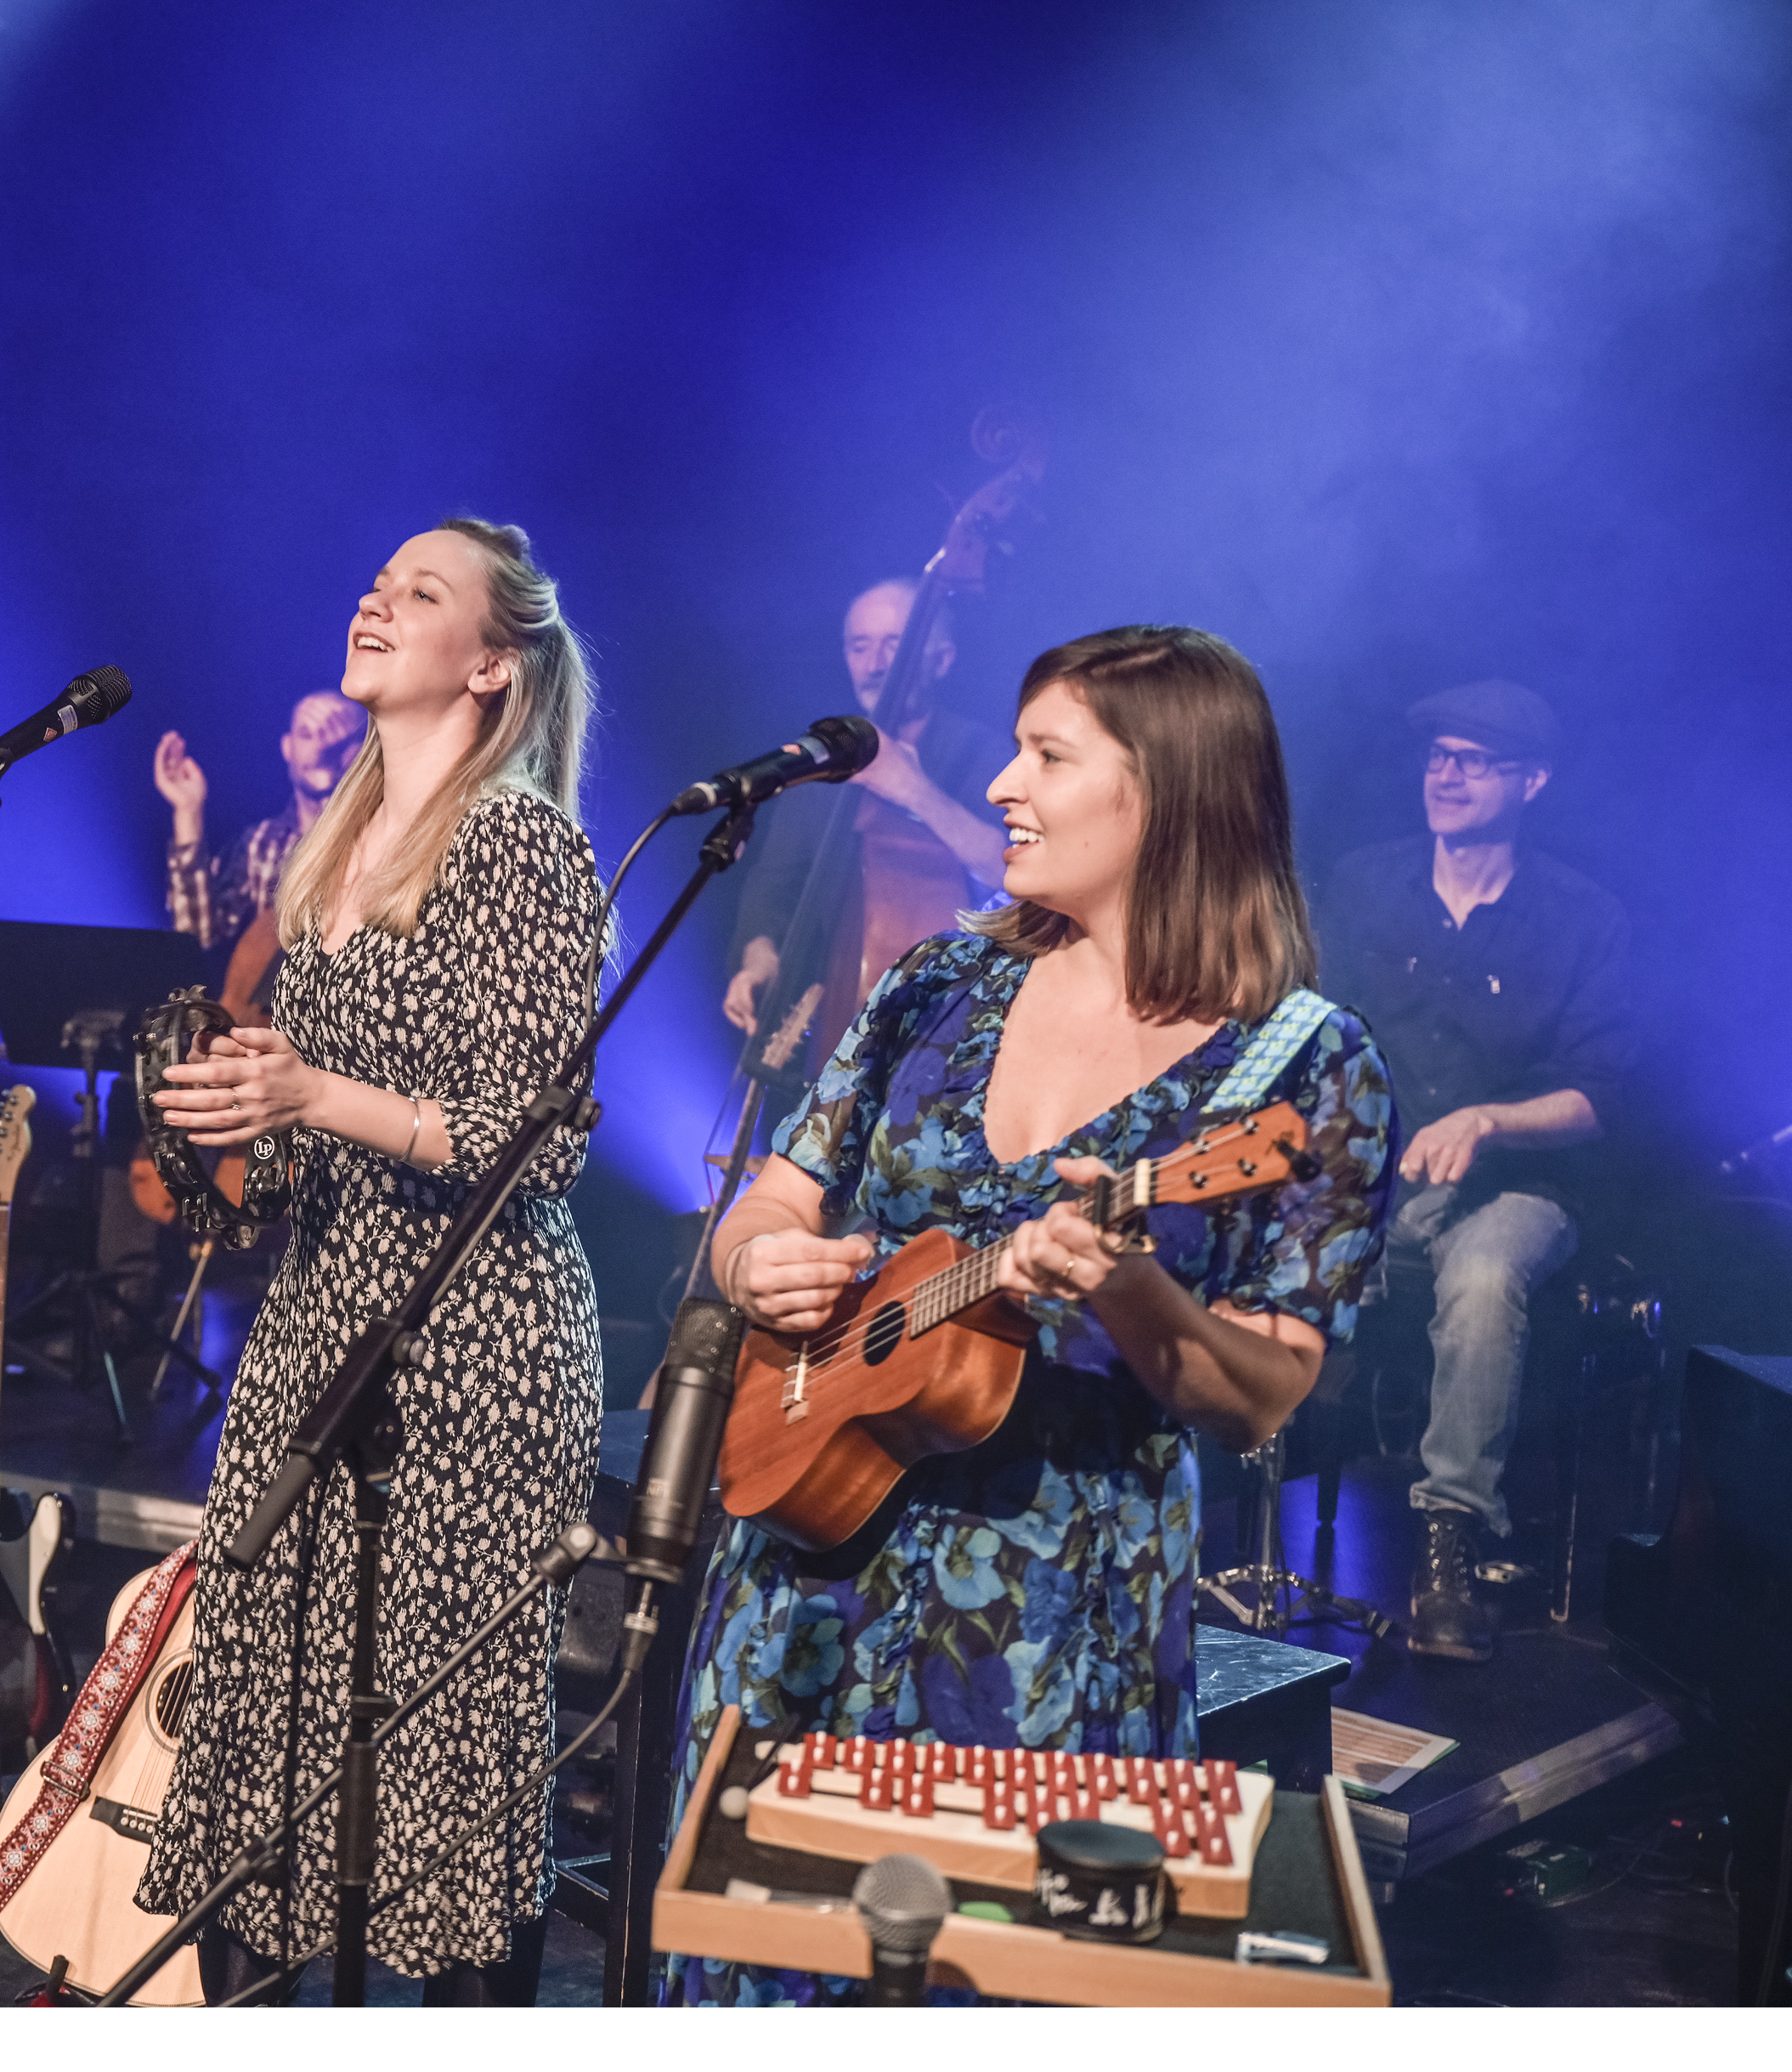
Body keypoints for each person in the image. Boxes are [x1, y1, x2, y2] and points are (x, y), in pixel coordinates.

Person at [665, 626, 1398, 2007]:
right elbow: (767, 1201)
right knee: (759, 1971)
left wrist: (1128, 1285)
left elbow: (1262, 1391)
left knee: (995, 1983)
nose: (999, 783)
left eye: (1045, 756)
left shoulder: (1303, 1066)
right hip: (807, 1574)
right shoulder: (935, 980)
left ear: (1164, 792)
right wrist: (758, 1264)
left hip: (1053, 1616)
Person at [137, 520, 603, 2006]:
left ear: (491, 663)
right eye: (373, 582)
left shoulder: (517, 840)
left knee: (441, 1747)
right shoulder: (331, 849)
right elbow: (302, 1146)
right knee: (261, 1710)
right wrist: (232, 1120)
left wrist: (312, 1093)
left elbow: (534, 1137)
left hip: (475, 1340)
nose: (373, 600)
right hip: (323, 1317)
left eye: (420, 591)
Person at [1317, 681, 1631, 1662]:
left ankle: (1447, 1540)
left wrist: (1488, 1121)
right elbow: (1313, 1029)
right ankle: (1212, 1507)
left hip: (1519, 1186)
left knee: (1486, 1275)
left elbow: (1599, 1095)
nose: (1445, 775)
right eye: (1437, 756)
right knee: (1250, 1237)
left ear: (1531, 781)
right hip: (1375, 1173)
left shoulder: (1582, 917)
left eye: (1473, 760)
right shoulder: (1366, 883)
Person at [721, 578, 1010, 1077]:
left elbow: (1007, 867)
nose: (876, 664)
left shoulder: (982, 754)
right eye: (860, 646)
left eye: (895, 645)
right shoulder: (820, 761)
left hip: (939, 1035)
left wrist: (914, 789)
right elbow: (772, 889)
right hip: (818, 1026)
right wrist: (758, 960)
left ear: (942, 660)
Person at [154, 688, 367, 961]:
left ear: (362, 748)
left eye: (336, 736)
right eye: (307, 734)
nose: (321, 747)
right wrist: (188, 811)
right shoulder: (258, 845)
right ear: (287, 747)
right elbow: (198, 939)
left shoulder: (381, 835)